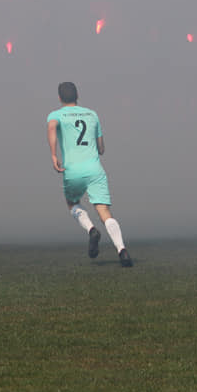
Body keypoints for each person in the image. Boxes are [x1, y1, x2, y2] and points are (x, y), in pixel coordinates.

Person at [47, 81, 132, 267]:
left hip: (73, 170)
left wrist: (54, 155)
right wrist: (97, 148)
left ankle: (91, 229)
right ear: (77, 96)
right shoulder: (92, 114)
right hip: (95, 169)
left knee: (72, 203)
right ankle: (122, 250)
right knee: (105, 212)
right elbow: (101, 148)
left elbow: (52, 127)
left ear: (60, 98)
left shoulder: (56, 115)